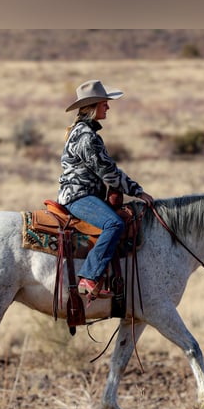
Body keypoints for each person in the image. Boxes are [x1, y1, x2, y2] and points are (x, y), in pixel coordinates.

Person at [58, 79, 154, 299]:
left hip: (82, 194)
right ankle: (89, 276)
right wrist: (137, 191)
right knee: (114, 223)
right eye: (104, 104)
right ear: (92, 107)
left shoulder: (83, 131)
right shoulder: (86, 136)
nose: (108, 107)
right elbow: (108, 171)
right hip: (78, 197)